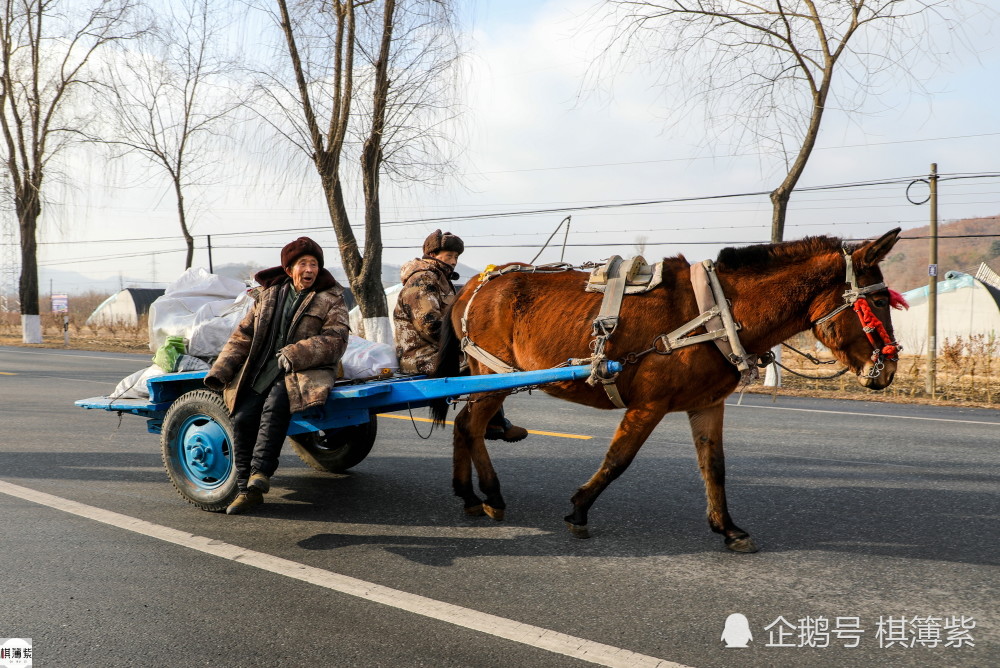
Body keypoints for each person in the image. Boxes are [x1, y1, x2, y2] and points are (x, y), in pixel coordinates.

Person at [205, 237, 350, 515]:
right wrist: (221, 371)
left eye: (314, 264)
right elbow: (243, 336)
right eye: (303, 264)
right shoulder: (269, 295)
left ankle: (260, 474)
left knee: (275, 405)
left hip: (304, 370)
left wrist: (296, 354)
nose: (309, 269)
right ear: (289, 269)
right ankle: (246, 489)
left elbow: (337, 339)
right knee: (243, 416)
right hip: (262, 367)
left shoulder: (331, 298)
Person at [393, 229, 528, 442]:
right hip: (418, 355)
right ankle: (491, 421)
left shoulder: (442, 280)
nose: (454, 261)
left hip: (438, 350)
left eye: (456, 257)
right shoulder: (422, 280)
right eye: (449, 256)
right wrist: (469, 344)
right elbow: (429, 326)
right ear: (433, 255)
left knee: (490, 361)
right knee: (486, 365)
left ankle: (489, 420)